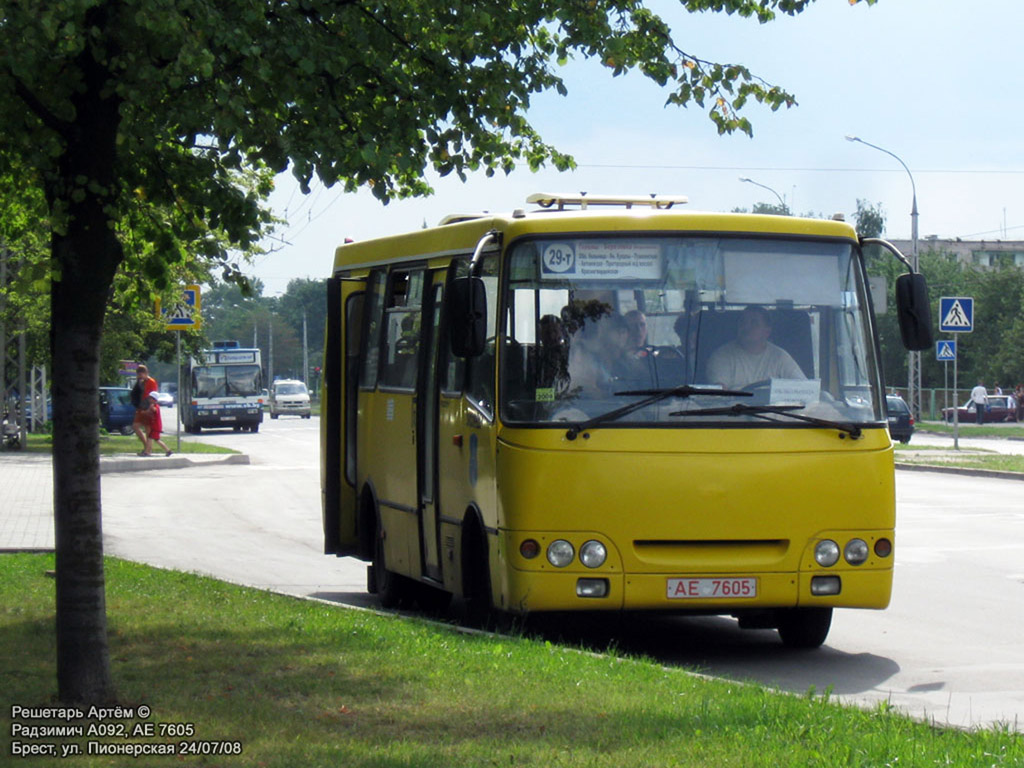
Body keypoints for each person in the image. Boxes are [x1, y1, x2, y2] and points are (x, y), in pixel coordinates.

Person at [705, 305, 805, 390]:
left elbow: (803, 389)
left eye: (754, 323)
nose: (746, 327)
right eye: (743, 322)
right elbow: (719, 395)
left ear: (767, 332)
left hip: (775, 412)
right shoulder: (722, 356)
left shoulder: (780, 357)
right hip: (733, 411)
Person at [132, 365, 172, 457]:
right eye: (138, 375)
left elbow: (153, 397)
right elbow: (136, 394)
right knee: (136, 426)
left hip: (147, 408)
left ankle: (148, 450)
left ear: (146, 373)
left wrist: (150, 407)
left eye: (141, 375)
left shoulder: (151, 382)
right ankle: (147, 447)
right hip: (141, 407)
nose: (139, 377)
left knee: (148, 430)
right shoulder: (140, 382)